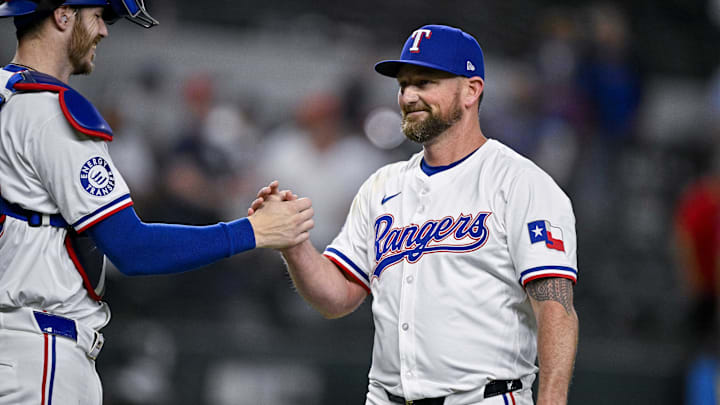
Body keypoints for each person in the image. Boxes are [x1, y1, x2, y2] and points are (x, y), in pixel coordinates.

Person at [0, 1, 313, 404]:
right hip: (37, 353)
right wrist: (253, 231)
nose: (104, 31)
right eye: (97, 16)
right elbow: (133, 249)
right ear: (62, 15)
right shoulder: (49, 111)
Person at [250, 24, 579, 404]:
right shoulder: (382, 186)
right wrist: (294, 245)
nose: (408, 96)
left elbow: (556, 307)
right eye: (404, 84)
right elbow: (336, 297)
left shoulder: (520, 183)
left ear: (471, 90)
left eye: (425, 82)